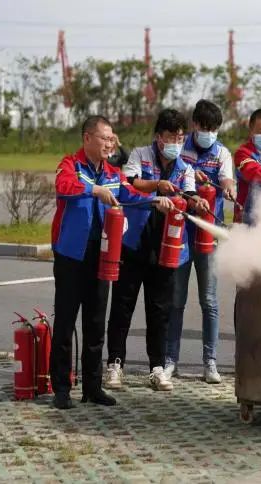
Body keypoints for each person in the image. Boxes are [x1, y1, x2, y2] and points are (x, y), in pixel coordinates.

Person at [50, 115, 172, 410]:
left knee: (95, 322)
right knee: (65, 321)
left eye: (112, 139)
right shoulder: (70, 165)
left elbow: (130, 193)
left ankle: (92, 387)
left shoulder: (112, 173)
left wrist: (154, 199)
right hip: (71, 255)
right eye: (104, 138)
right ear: (87, 138)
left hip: (102, 255)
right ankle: (61, 389)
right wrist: (94, 190)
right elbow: (64, 186)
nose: (110, 144)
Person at [104, 108, 210, 392]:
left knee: (160, 310)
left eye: (180, 137)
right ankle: (115, 364)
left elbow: (187, 195)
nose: (176, 142)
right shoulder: (140, 156)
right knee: (122, 306)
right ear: (159, 137)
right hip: (134, 245)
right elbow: (127, 185)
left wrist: (197, 202)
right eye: (170, 136)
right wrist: (156, 190)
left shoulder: (185, 167)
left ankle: (157, 367)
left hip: (166, 250)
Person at [163, 100, 236, 384]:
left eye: (214, 129)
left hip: (208, 237)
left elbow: (227, 181)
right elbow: (170, 176)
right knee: (176, 300)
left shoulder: (222, 153)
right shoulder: (181, 148)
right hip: (181, 234)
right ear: (194, 125)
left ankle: (210, 362)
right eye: (204, 127)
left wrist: (227, 188)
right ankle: (170, 361)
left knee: (209, 301)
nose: (209, 133)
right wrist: (192, 175)